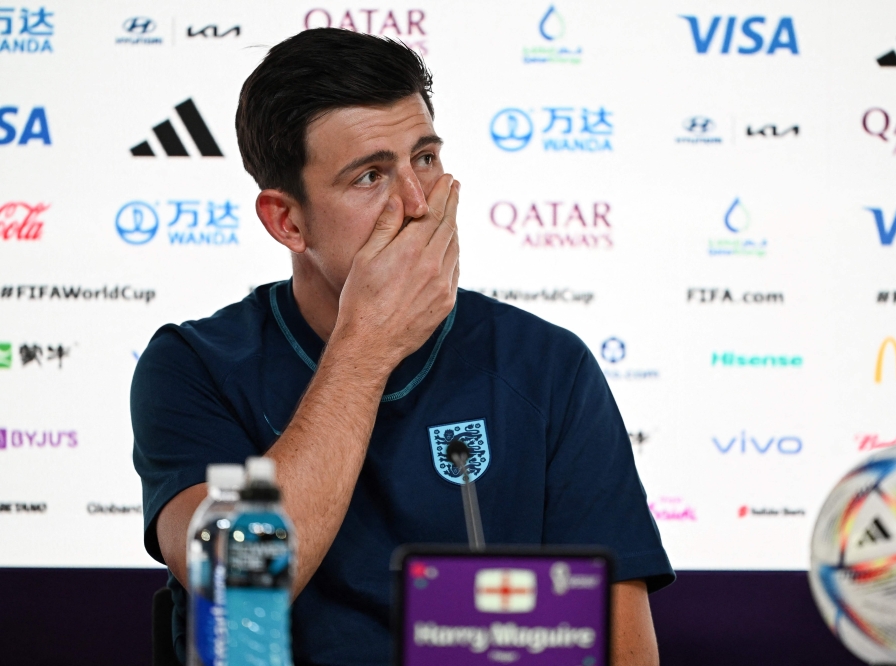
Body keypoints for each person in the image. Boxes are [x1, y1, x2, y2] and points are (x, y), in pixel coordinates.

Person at [132, 27, 673, 666]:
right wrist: (367, 347)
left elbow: (625, 647)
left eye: (424, 158)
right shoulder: (194, 365)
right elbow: (240, 585)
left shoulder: (548, 365)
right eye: (369, 176)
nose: (416, 203)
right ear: (288, 221)